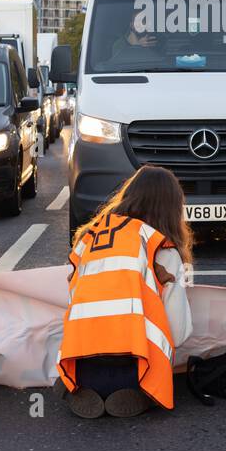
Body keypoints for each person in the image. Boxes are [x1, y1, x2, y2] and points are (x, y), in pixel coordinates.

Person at [57, 165, 193, 418]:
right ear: (171, 209)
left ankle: (78, 388)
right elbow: (178, 330)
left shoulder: (90, 240)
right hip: (134, 367)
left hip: (80, 362)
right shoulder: (161, 250)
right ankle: (141, 393)